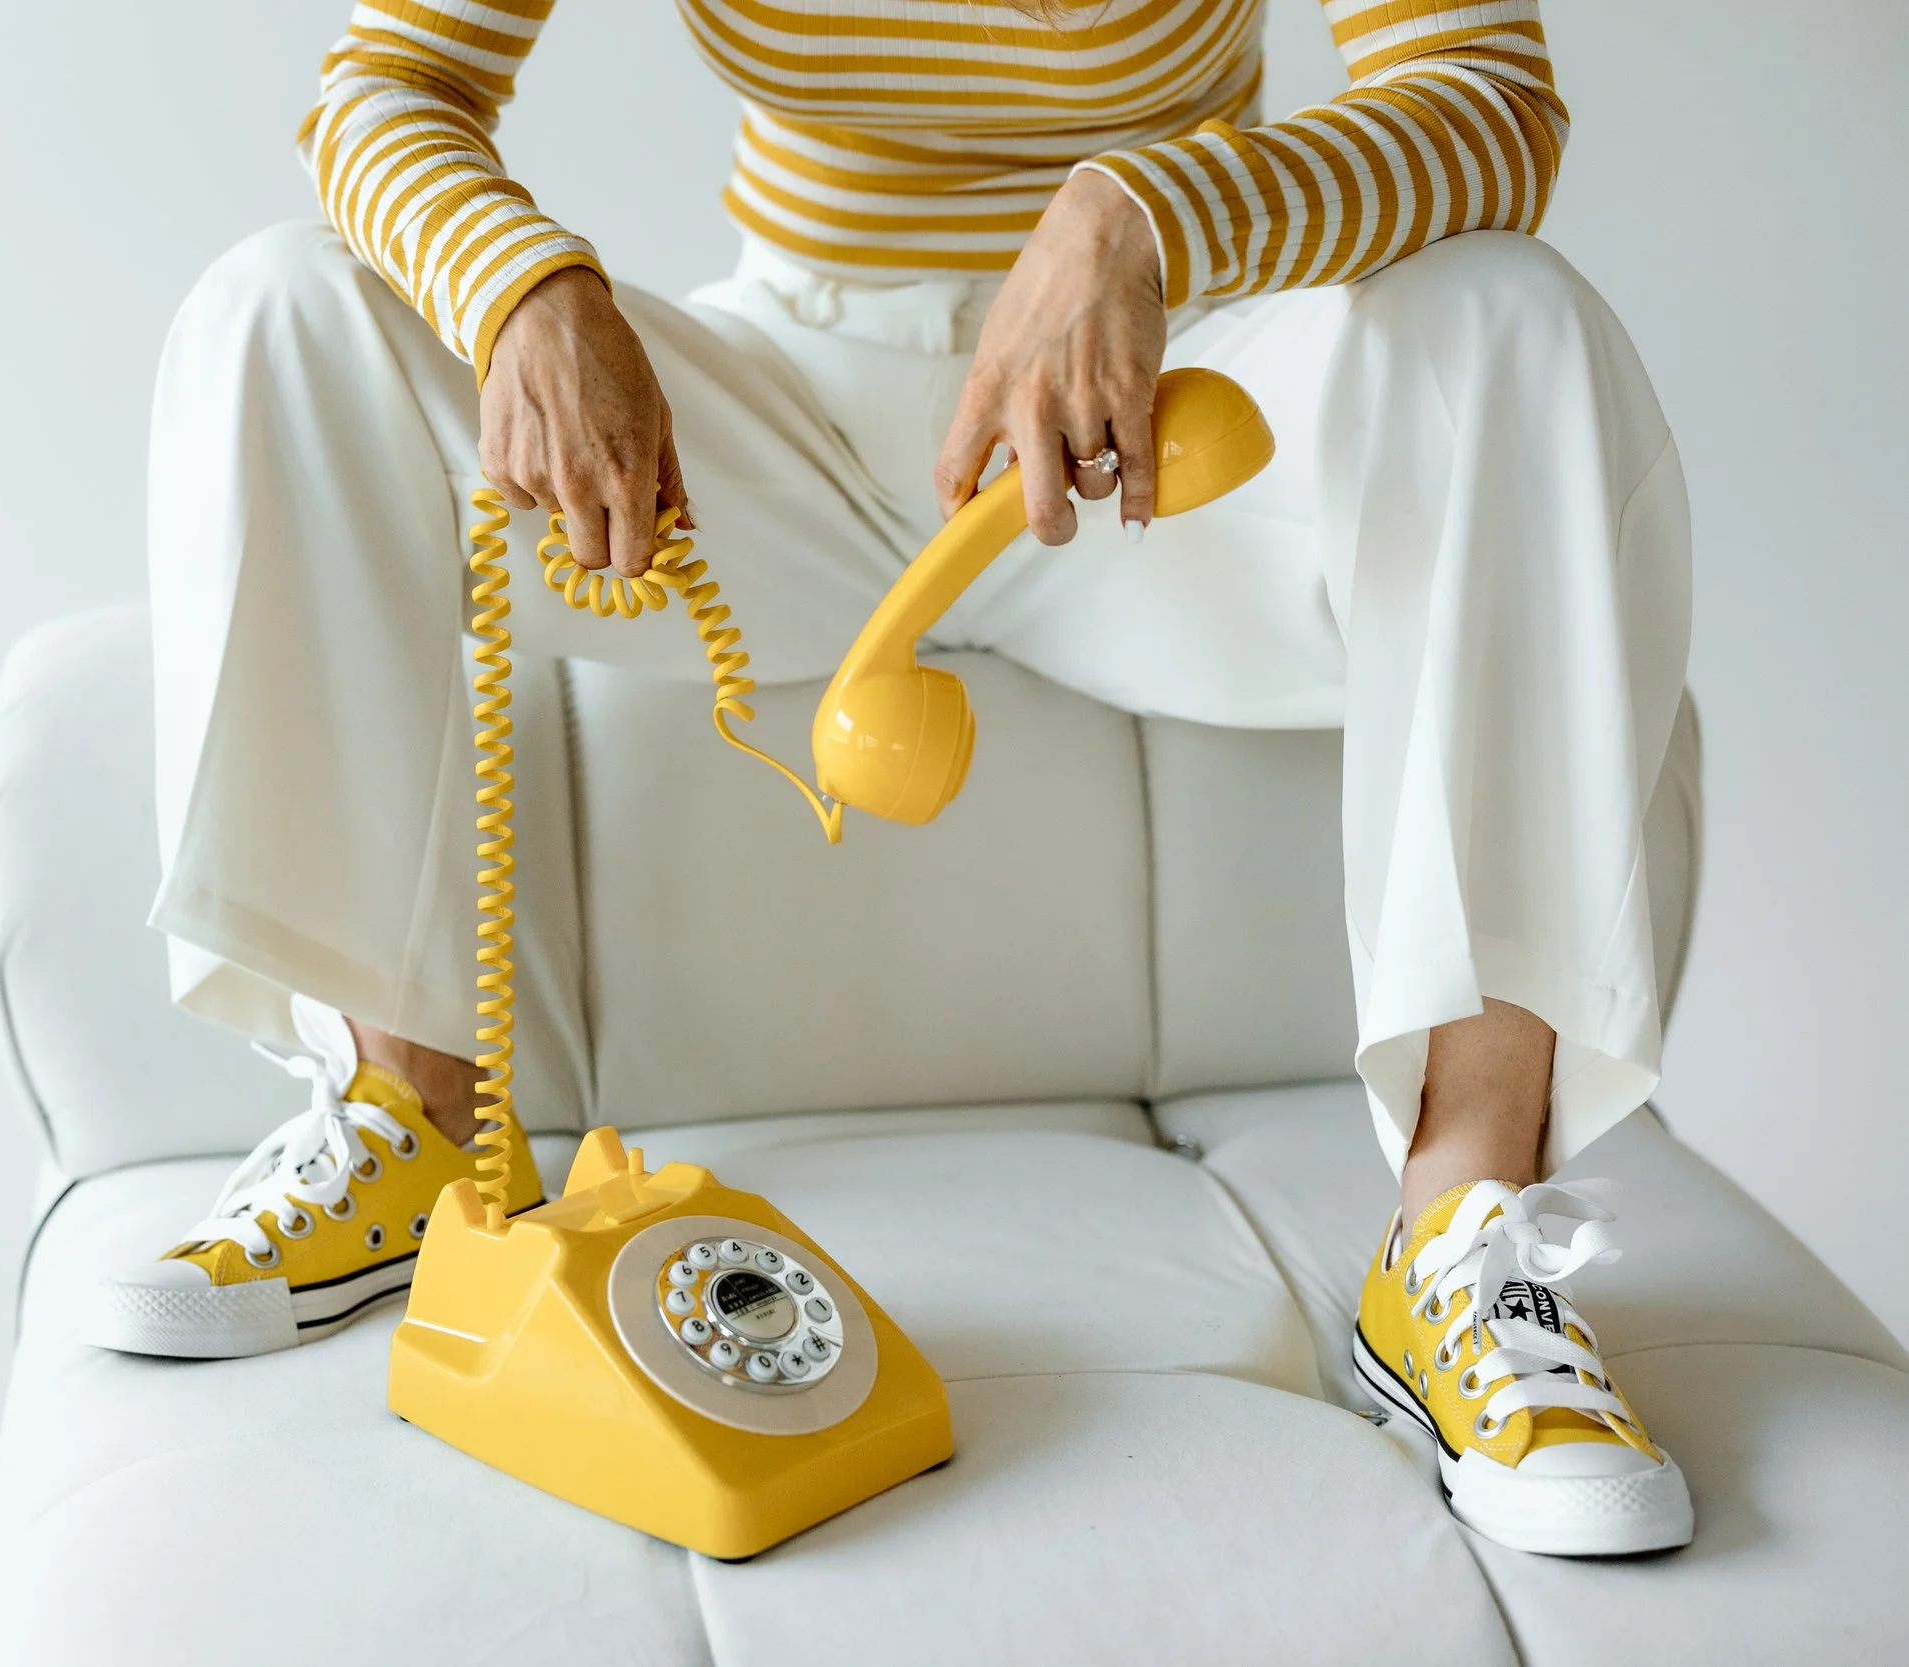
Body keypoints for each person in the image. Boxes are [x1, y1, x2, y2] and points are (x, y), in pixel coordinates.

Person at [92, 0, 1695, 1558]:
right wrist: (520, 289)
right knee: (281, 305)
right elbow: (381, 86)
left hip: (1161, 430)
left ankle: (1463, 1231)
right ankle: (407, 1115)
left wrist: (1152, 214)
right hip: (785, 418)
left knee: (1511, 311)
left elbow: (1491, 102)